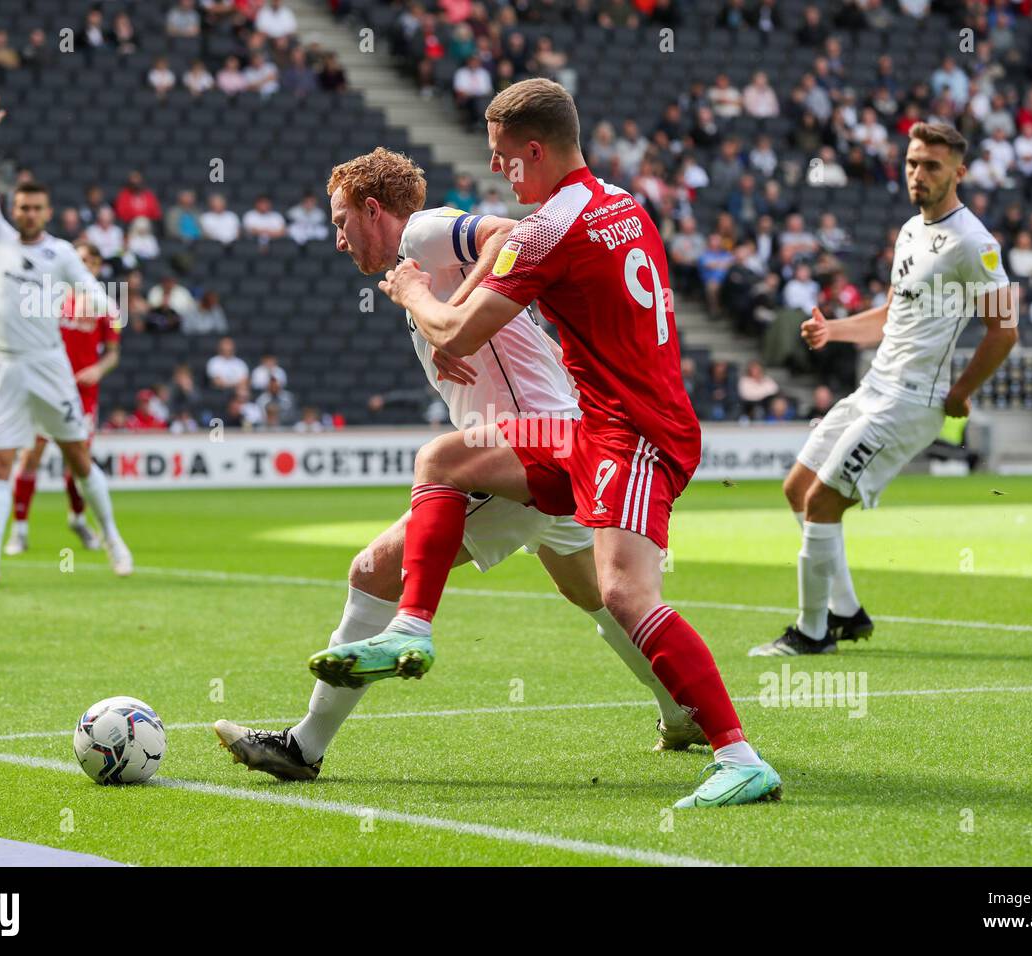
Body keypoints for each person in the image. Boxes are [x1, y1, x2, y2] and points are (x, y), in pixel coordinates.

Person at [313, 81, 780, 809]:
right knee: (444, 458)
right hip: (587, 425)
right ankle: (415, 626)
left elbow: (455, 333)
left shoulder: (545, 231)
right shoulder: (622, 203)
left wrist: (414, 293)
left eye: (503, 159)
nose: (498, 172)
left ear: (535, 151)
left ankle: (740, 755)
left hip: (632, 434)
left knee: (625, 592)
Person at [213, 144, 705, 784]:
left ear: (373, 208)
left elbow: (509, 231)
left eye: (340, 222)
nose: (337, 240)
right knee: (598, 594)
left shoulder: (423, 230)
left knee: (373, 570)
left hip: (524, 447)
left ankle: (302, 747)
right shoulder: (418, 265)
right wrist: (450, 317)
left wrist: (459, 317)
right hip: (564, 441)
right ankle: (681, 708)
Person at [750, 122, 1017, 657]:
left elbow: (1004, 328)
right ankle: (848, 614)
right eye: (913, 163)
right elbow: (894, 314)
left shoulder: (974, 243)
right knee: (796, 488)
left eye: (932, 166)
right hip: (875, 387)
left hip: (913, 398)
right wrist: (835, 331)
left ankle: (812, 632)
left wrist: (961, 392)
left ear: (959, 173)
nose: (918, 174)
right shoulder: (910, 230)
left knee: (823, 502)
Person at [0, 92, 132, 585]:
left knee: (78, 457)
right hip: (5, 366)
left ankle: (114, 541)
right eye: (22, 206)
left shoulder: (60, 254)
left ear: (48, 210)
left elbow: (94, 293)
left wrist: (104, 306)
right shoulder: (0, 238)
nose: (28, 213)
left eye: (36, 207)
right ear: (13, 209)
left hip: (48, 363)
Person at [5, 241, 121, 556]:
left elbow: (113, 355)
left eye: (93, 261)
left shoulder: (106, 305)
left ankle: (78, 518)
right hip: (47, 387)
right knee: (31, 456)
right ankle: (19, 531)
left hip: (83, 395)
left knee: (78, 460)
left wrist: (98, 370)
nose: (88, 266)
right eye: (82, 260)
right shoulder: (51, 299)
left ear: (99, 267)